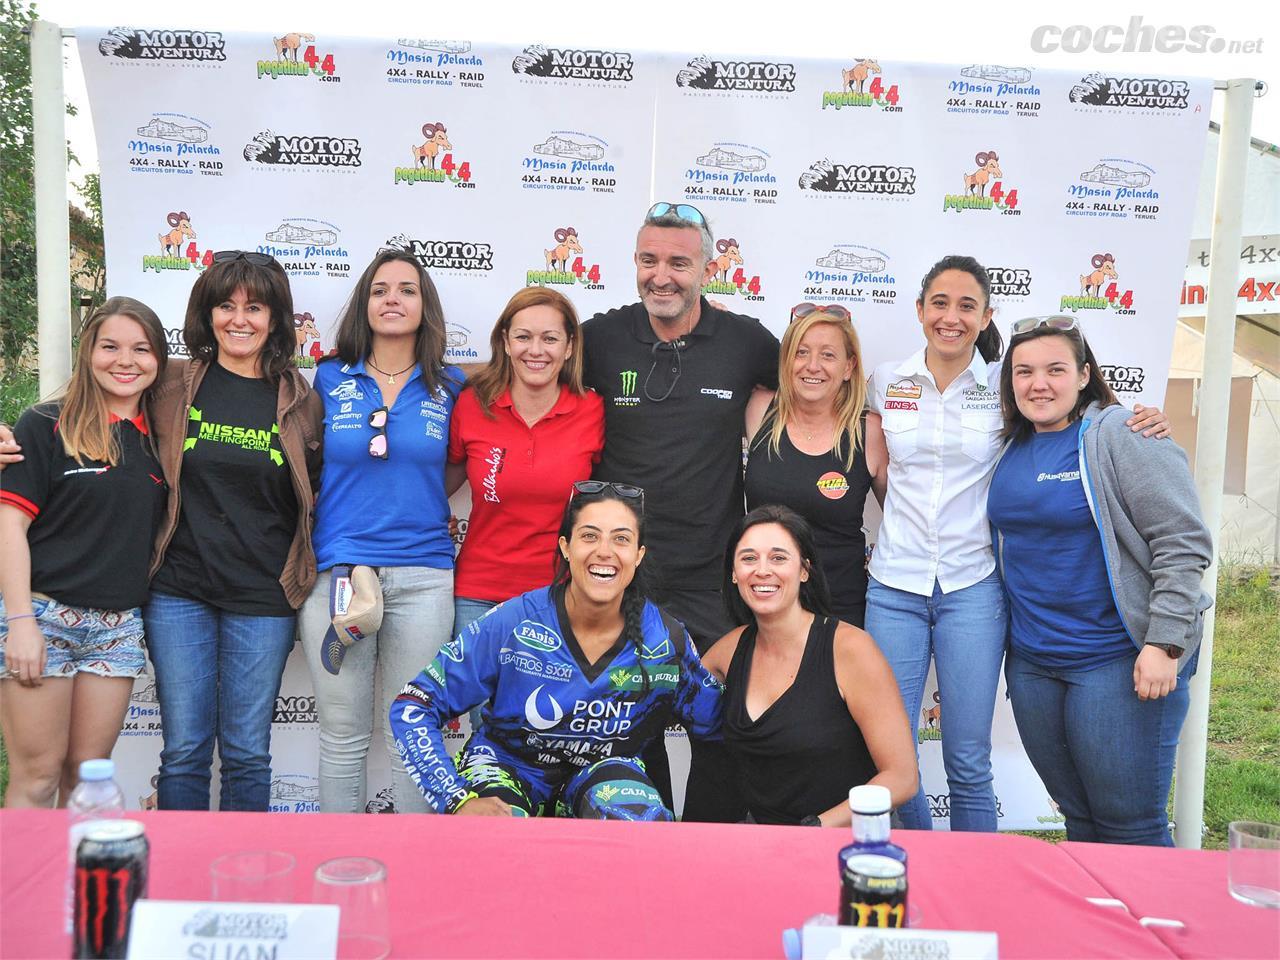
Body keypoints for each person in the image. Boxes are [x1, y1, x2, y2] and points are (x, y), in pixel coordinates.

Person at [862, 254, 1169, 832]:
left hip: (974, 588)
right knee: (893, 757)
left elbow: (1071, 419)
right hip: (893, 588)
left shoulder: (1005, 386)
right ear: (919, 309)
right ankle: (917, 871)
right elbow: (866, 458)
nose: (951, 317)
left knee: (968, 760)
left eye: (967, 306)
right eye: (940, 303)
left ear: (986, 316)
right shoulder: (885, 381)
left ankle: (974, 890)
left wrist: (1140, 420)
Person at [580, 201, 779, 821]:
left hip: (711, 581)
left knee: (716, 731)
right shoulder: (599, 338)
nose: (660, 276)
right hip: (623, 579)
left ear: (707, 267)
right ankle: (645, 850)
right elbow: (518, 371)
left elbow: (814, 397)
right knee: (630, 735)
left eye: (678, 262)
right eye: (648, 260)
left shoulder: (748, 341)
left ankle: (704, 853)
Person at [988, 316, 1211, 845]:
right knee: (1079, 819)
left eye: (1055, 369)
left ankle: (1152, 929)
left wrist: (1165, 642)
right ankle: (1101, 928)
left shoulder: (1122, 433)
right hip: (1035, 665)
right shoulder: (1008, 447)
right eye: (1024, 372)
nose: (1038, 383)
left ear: (1084, 375)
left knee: (1129, 826)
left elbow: (1182, 540)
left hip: (1116, 662)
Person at [389, 482, 724, 819]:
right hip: (508, 766)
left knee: (635, 817)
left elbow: (722, 723)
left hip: (604, 772)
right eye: (590, 536)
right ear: (566, 547)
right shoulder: (514, 622)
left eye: (621, 539)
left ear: (638, 555)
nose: (604, 551)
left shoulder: (665, 639)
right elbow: (413, 705)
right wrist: (455, 798)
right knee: (490, 830)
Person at [145, 251, 322, 811]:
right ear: (208, 312)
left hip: (263, 594)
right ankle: (175, 886)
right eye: (226, 305)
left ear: (275, 319)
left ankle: (247, 882)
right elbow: (91, 403)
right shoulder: (172, 382)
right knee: (185, 751)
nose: (239, 319)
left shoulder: (301, 400)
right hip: (178, 589)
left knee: (247, 752)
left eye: (255, 306)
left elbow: (317, 493)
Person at [300, 249, 464, 814]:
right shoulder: (325, 376)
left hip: (424, 576)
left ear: (426, 306)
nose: (393, 298)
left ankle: (416, 880)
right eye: (380, 289)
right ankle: (340, 873)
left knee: (412, 735)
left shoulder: (452, 386)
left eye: (407, 289)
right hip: (339, 574)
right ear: (364, 304)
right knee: (342, 737)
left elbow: (456, 464)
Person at [0, 298, 168, 807]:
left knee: (85, 780)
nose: (125, 360)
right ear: (87, 352)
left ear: (159, 359)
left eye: (141, 349)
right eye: (110, 346)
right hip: (44, 616)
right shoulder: (46, 424)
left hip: (116, 629)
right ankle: (19, 889)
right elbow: (9, 526)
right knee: (37, 777)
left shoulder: (163, 437)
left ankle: (75, 889)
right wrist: (21, 620)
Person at [700, 506, 916, 826]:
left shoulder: (850, 649)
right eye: (748, 558)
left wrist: (816, 829)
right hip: (763, 842)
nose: (762, 570)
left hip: (845, 839)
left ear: (804, 570)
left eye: (778, 558)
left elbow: (902, 778)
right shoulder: (728, 651)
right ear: (733, 573)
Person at [447, 287, 604, 639]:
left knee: (547, 697)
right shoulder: (472, 405)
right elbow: (438, 480)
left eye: (550, 338)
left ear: (569, 347)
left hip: (560, 596)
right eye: (523, 337)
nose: (536, 350)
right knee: (472, 696)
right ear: (505, 341)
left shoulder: (592, 410)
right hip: (477, 593)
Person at [744, 305, 879, 627]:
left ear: (849, 367)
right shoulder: (760, 410)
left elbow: (904, 516)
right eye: (801, 352)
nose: (812, 366)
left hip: (840, 609)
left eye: (828, 355)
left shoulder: (869, 432)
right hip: (762, 604)